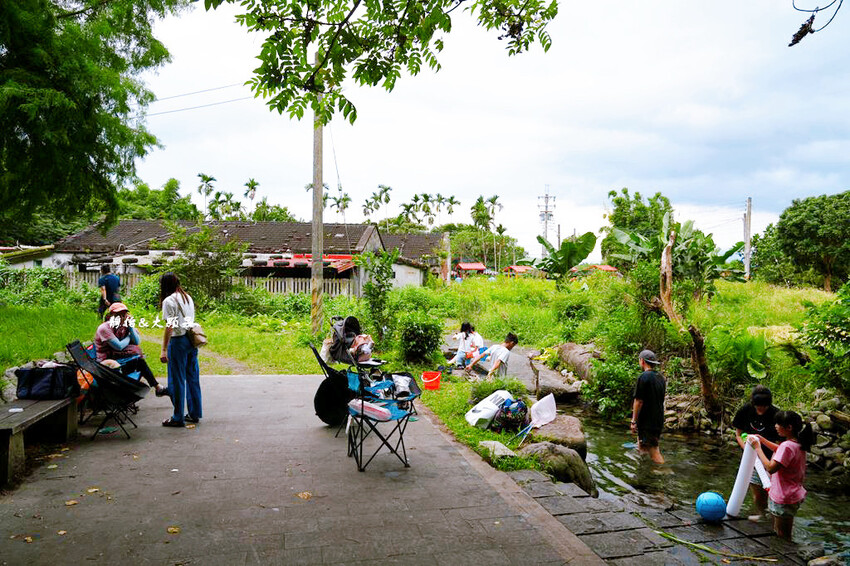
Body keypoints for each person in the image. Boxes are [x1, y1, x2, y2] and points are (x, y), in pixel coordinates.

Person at [749, 410, 813, 540]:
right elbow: (780, 450)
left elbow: (770, 468)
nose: (775, 426)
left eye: (778, 424)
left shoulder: (787, 446)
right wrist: (762, 440)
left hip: (783, 497)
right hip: (791, 494)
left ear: (789, 427)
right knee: (780, 529)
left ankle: (787, 557)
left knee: (782, 535)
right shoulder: (797, 444)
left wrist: (757, 448)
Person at [94, 302, 168, 396]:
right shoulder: (104, 328)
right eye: (118, 315)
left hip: (116, 359)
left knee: (139, 361)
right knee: (139, 362)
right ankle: (155, 388)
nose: (122, 317)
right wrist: (129, 336)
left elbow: (137, 341)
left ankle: (157, 388)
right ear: (111, 315)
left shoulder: (123, 326)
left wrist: (131, 328)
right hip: (106, 365)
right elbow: (119, 346)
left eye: (124, 314)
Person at [732, 385, 781, 519]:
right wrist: (749, 451)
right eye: (758, 406)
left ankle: (774, 516)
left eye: (764, 406)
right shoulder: (746, 410)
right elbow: (739, 434)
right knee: (758, 493)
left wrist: (769, 460)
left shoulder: (776, 415)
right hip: (751, 459)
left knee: (772, 491)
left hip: (771, 459)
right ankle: (762, 515)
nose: (761, 409)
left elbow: (779, 443)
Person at [159, 272, 201, 428]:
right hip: (191, 341)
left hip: (178, 342)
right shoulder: (187, 297)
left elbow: (170, 326)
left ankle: (177, 417)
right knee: (192, 378)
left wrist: (164, 349)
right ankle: (194, 413)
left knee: (176, 380)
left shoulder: (169, 301)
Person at [630, 349, 666, 464]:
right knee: (642, 445)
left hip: (648, 421)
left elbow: (638, 401)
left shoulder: (643, 377)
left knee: (654, 450)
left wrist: (634, 421)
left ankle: (666, 474)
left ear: (642, 361)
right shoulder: (661, 378)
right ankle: (644, 470)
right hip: (658, 418)